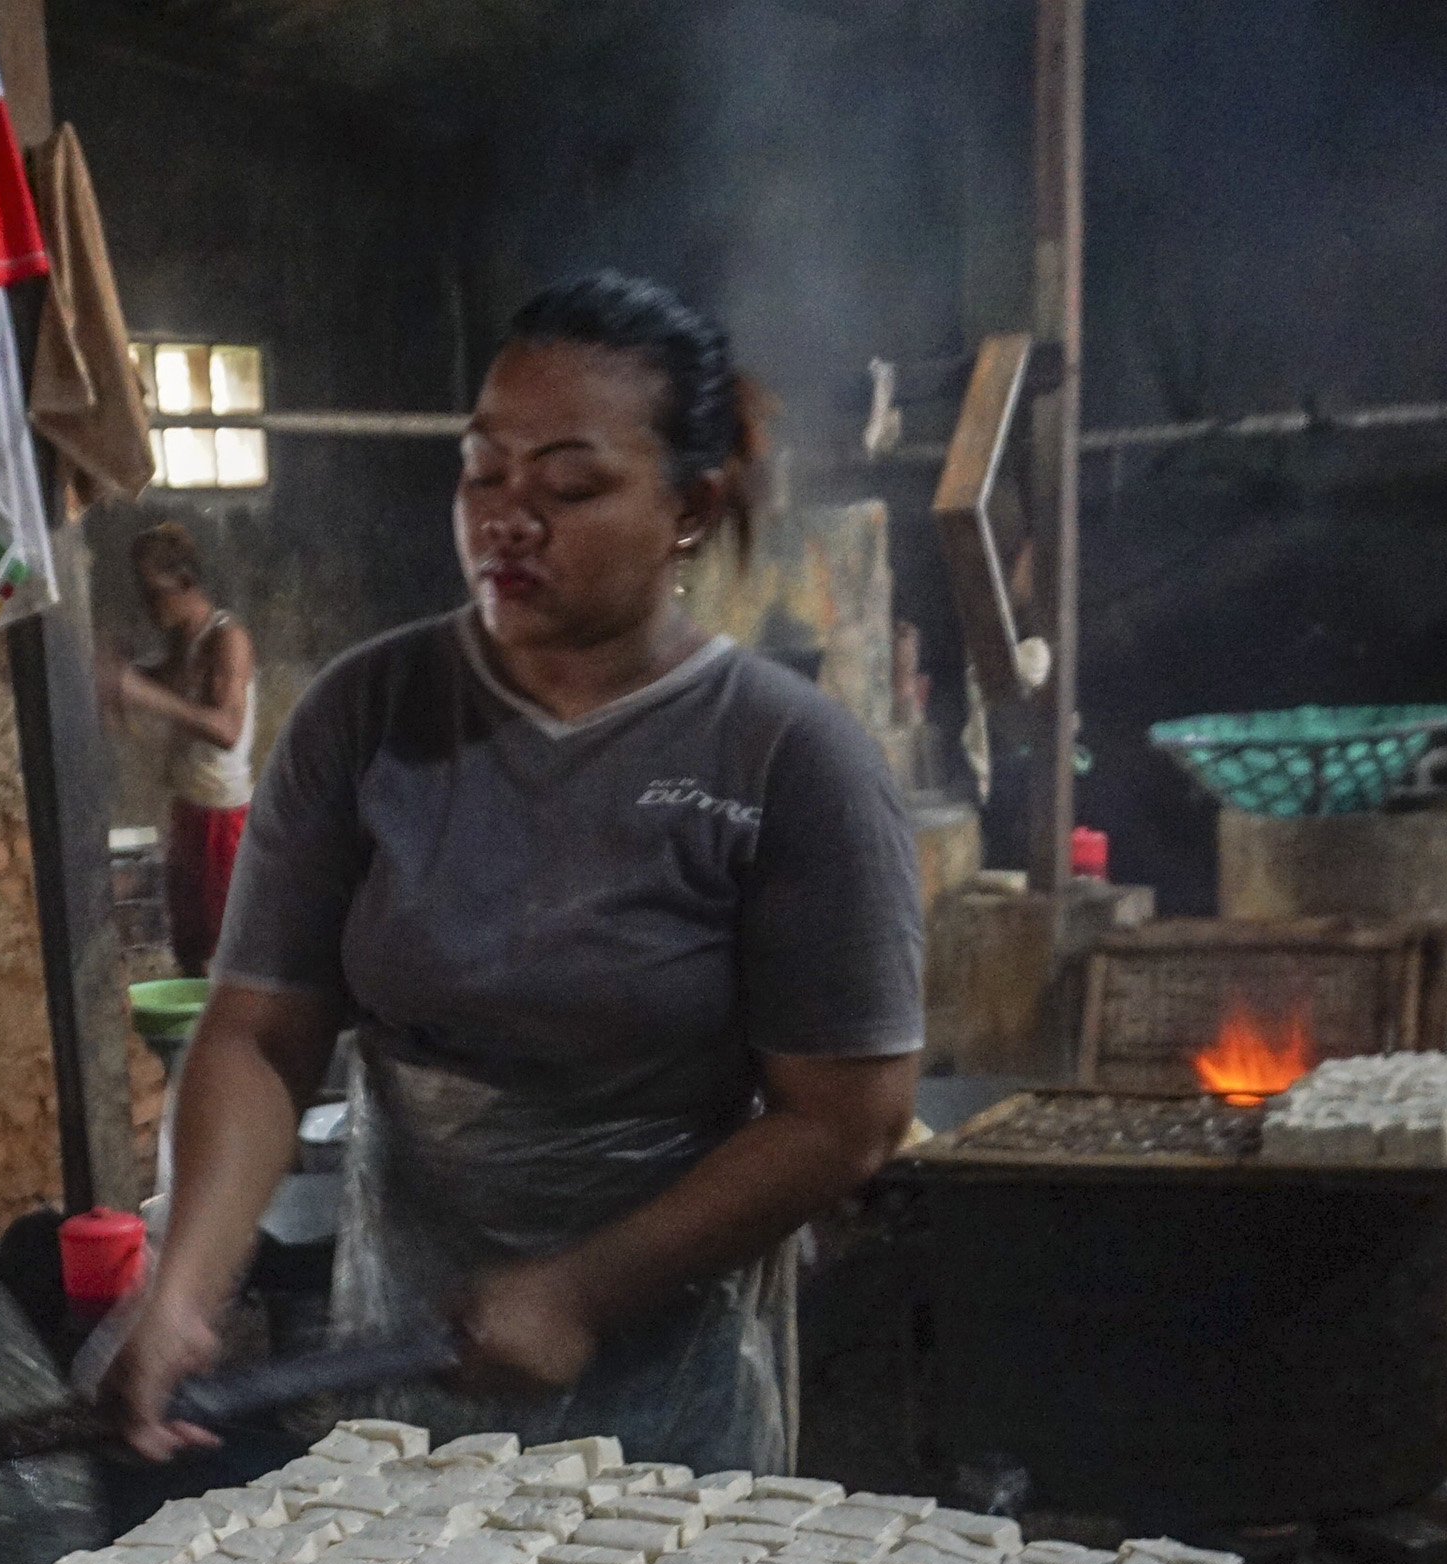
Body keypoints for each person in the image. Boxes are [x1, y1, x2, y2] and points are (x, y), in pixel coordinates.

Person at [103, 274, 921, 1473]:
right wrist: (184, 1287)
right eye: (484, 474)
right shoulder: (365, 714)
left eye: (570, 486)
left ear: (690, 504)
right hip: (398, 1338)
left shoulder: (789, 759)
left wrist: (584, 1290)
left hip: (665, 1350)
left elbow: (845, 1119)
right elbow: (261, 1033)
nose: (507, 520)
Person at [107, 521, 256, 973]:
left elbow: (227, 729)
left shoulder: (227, 639)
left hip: (223, 816)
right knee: (189, 944)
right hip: (191, 809)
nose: (149, 604)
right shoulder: (183, 641)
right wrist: (117, 674)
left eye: (156, 591)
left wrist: (138, 691)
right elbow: (168, 682)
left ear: (186, 582)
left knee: (222, 951)